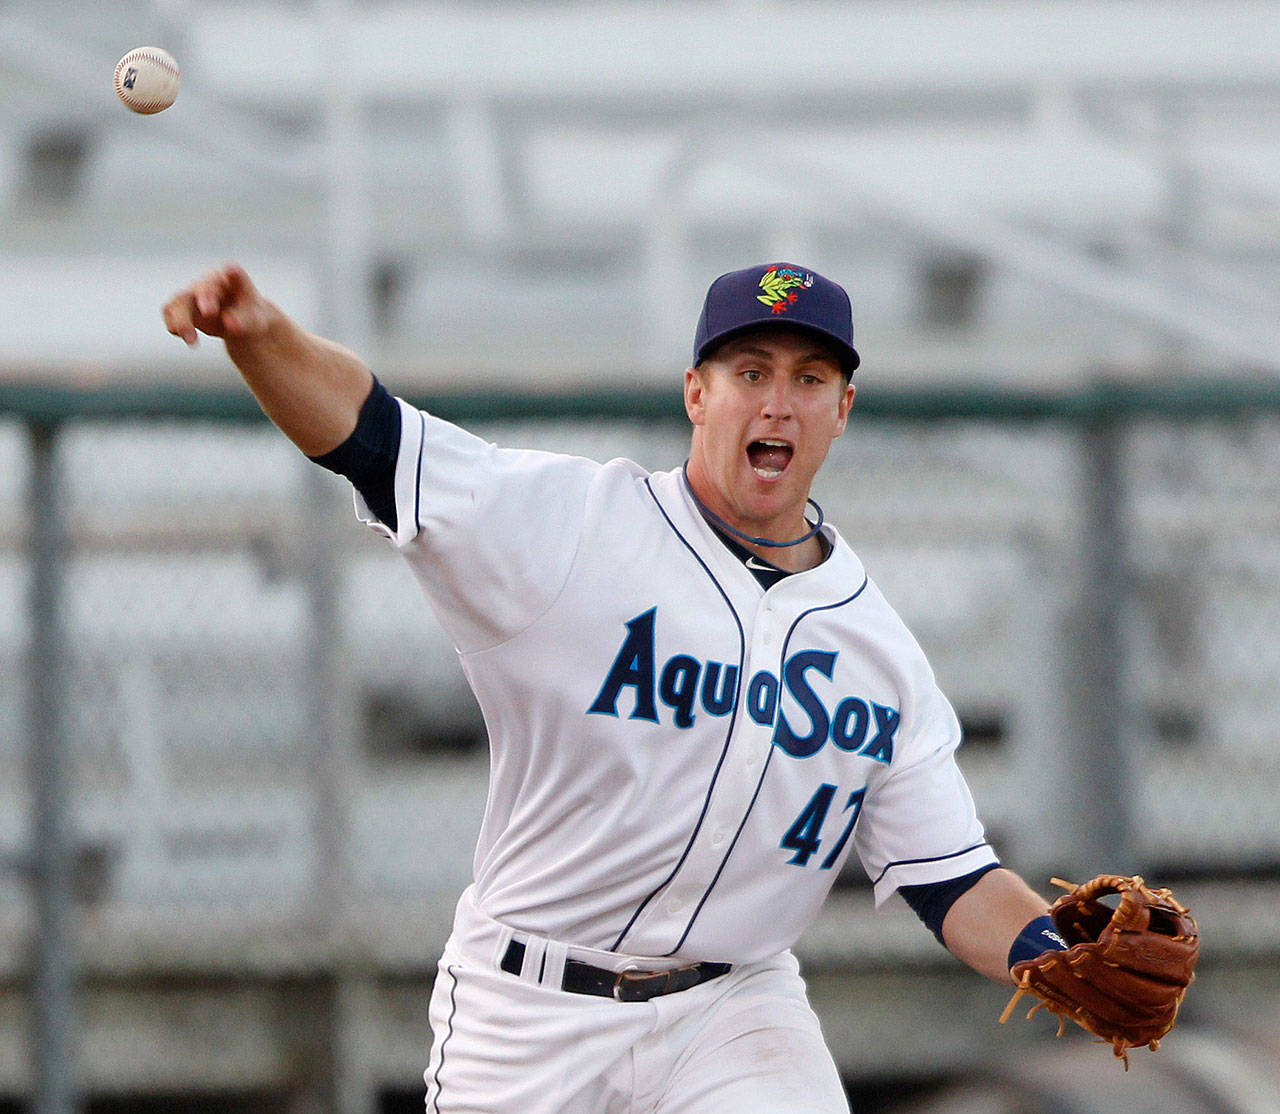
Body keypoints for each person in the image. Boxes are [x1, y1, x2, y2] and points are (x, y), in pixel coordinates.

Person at [163, 261, 1066, 1114]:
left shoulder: (880, 651)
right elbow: (375, 438)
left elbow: (952, 881)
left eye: (810, 379)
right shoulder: (571, 525)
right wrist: (262, 336)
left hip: (734, 1011)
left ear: (843, 409)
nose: (779, 404)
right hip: (531, 1006)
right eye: (751, 372)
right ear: (697, 394)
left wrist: (1054, 955)